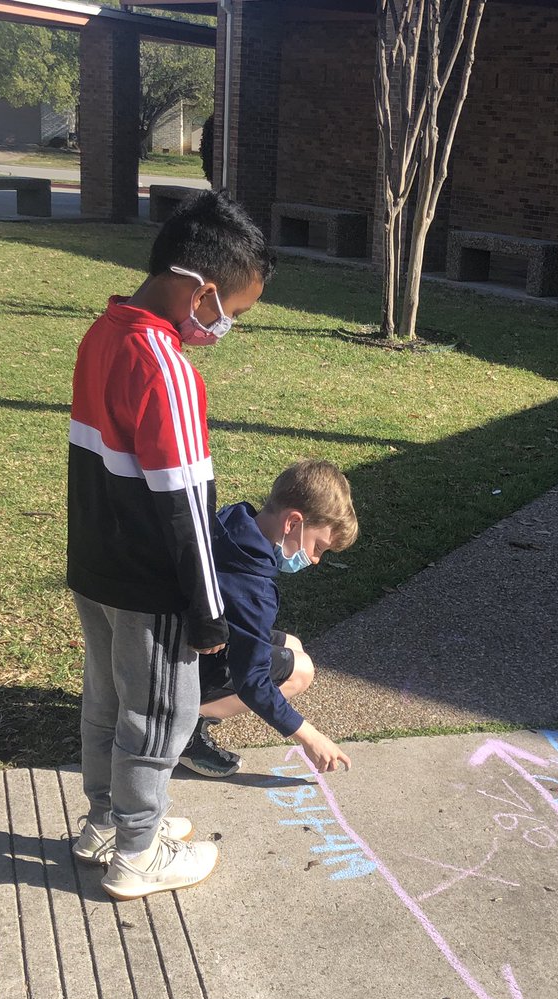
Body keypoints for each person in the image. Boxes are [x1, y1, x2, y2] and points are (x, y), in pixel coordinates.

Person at [67, 190, 272, 901]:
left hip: (95, 565)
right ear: (201, 289)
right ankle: (137, 850)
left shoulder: (105, 332)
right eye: (232, 312)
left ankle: (105, 822)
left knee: (105, 698)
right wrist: (208, 612)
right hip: (150, 581)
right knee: (158, 714)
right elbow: (186, 500)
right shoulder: (166, 366)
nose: (225, 327)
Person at [179, 460, 356, 778]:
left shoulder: (232, 520)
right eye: (318, 547)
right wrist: (308, 736)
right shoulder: (254, 588)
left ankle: (188, 714)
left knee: (293, 645)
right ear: (293, 523)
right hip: (181, 666)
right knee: (301, 672)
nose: (315, 560)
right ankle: (181, 727)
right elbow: (252, 682)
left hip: (183, 638)